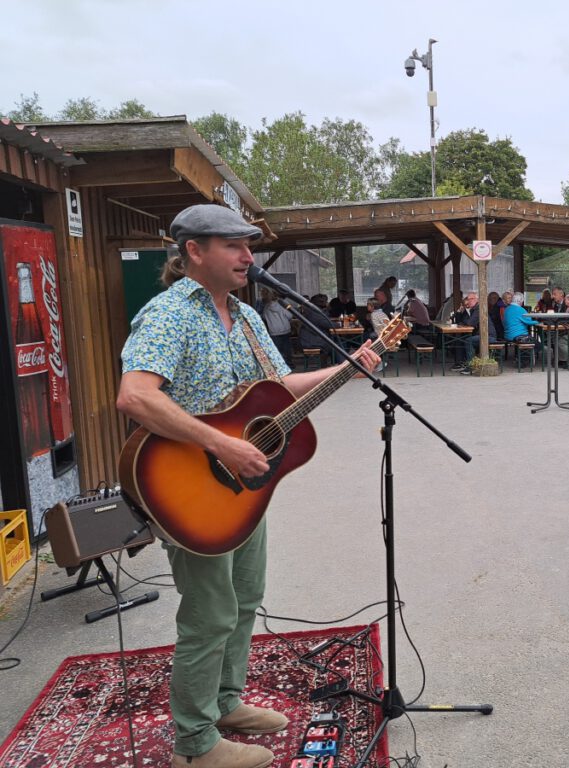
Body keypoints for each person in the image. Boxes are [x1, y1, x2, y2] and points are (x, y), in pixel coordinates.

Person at [116, 204, 379, 768]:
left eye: (248, 245)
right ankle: (195, 743)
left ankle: (225, 703)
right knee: (210, 612)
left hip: (243, 488)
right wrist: (221, 444)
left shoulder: (247, 314)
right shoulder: (169, 314)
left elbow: (277, 388)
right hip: (190, 486)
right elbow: (136, 396)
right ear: (194, 251)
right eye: (233, 245)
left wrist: (347, 368)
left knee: (245, 599)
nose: (247, 256)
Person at [451, 292, 495, 373]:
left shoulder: (479, 309)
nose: (469, 301)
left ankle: (471, 366)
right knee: (460, 339)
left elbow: (470, 323)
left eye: (471, 299)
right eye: (468, 299)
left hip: (488, 336)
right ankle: (460, 363)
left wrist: (463, 321)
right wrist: (460, 312)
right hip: (480, 335)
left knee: (468, 341)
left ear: (477, 300)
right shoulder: (473, 310)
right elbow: (461, 321)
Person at [298, 293, 335, 363]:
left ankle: (331, 363)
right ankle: (328, 365)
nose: (327, 303)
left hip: (310, 338)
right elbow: (329, 325)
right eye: (326, 301)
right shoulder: (315, 313)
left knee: (333, 342)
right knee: (334, 345)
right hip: (311, 341)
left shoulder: (312, 311)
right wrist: (340, 324)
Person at [259, 288, 293, 362]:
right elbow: (290, 316)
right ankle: (290, 364)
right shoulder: (282, 306)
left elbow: (264, 317)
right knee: (287, 348)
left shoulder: (266, 307)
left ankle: (280, 365)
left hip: (273, 331)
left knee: (277, 350)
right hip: (285, 330)